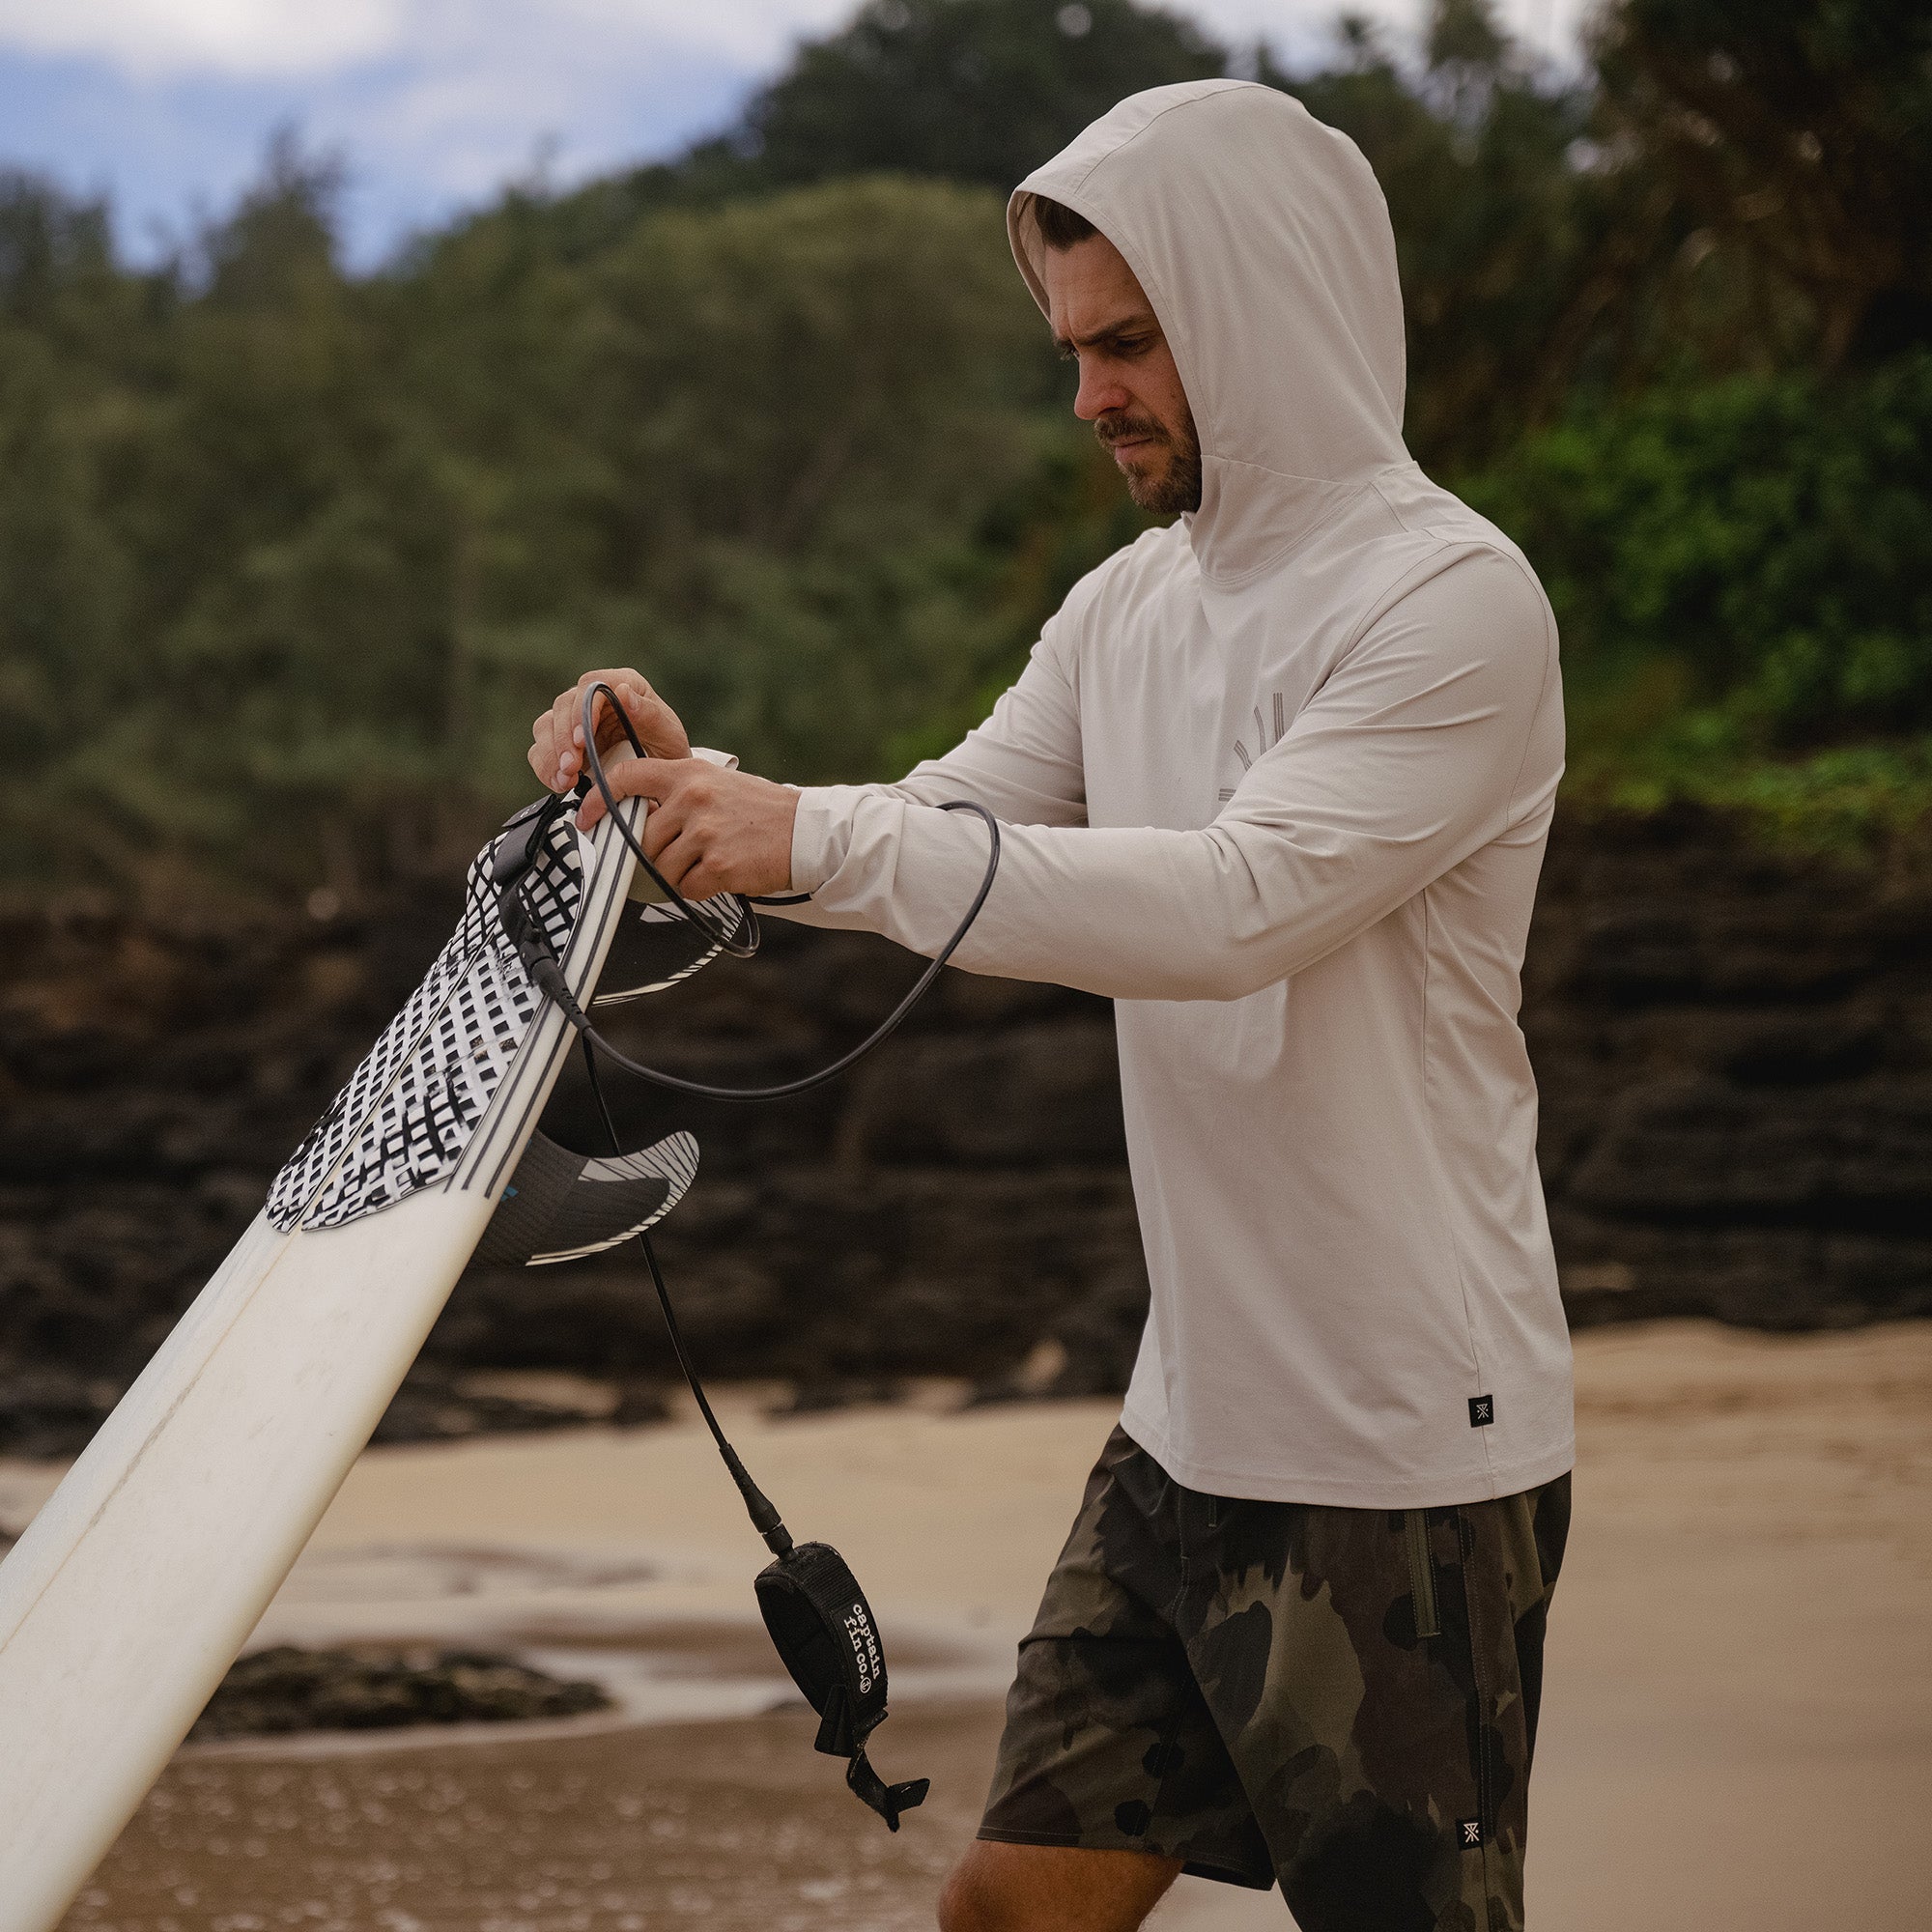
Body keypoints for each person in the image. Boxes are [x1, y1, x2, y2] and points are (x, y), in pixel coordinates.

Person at [529, 79, 1572, 1932]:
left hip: (1398, 1445)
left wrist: (813, 838)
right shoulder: (1125, 611)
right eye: (1075, 348)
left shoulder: (1454, 606)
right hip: (1186, 1430)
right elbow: (938, 828)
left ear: (1265, 313)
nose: (1088, 394)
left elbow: (1242, 905)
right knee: (1008, 1914)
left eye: (1131, 345)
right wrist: (710, 802)